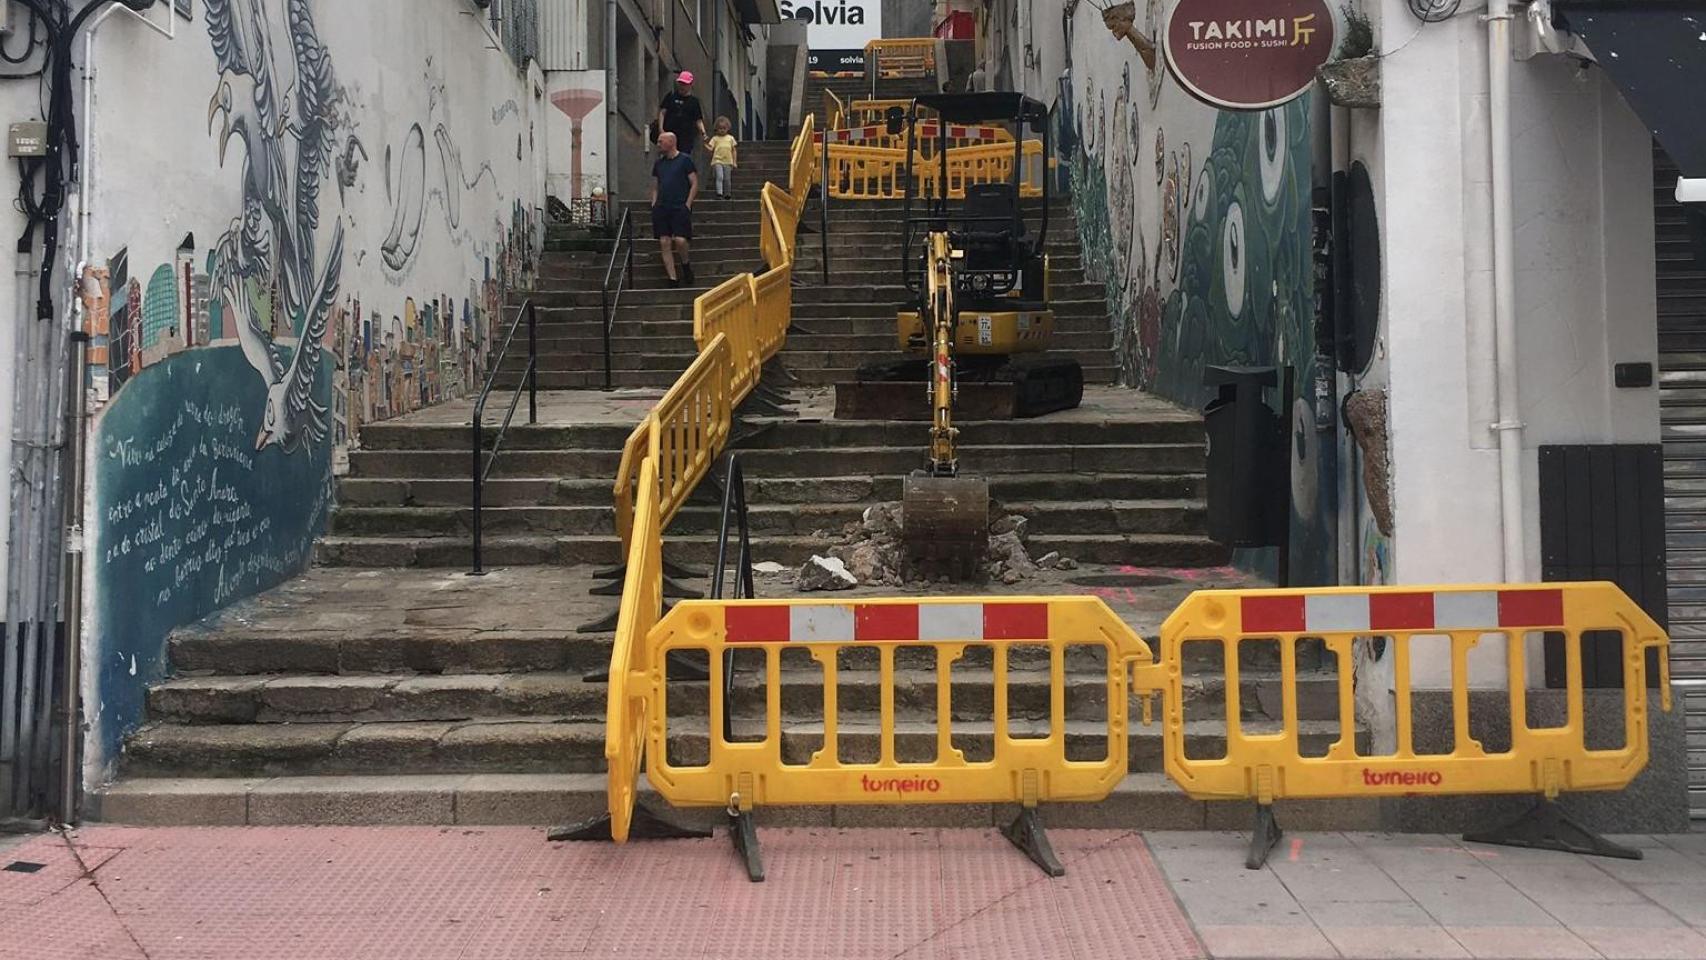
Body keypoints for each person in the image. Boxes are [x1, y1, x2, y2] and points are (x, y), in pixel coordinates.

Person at [650, 131, 698, 286]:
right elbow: (656, 185)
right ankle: (672, 278)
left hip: (679, 205)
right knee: (664, 241)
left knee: (680, 240)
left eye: (660, 141)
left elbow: (694, 183)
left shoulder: (685, 160)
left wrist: (688, 204)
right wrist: (654, 202)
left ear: (671, 142)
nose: (658, 144)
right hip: (662, 206)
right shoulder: (659, 163)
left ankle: (685, 265)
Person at [657, 70, 707, 159]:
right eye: (680, 83)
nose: (682, 86)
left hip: (686, 138)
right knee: (666, 159)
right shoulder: (671, 96)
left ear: (690, 84)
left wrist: (703, 133)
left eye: (684, 84)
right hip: (669, 135)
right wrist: (661, 129)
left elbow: (698, 120)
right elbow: (662, 112)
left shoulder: (694, 102)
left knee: (683, 160)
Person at [706, 116, 738, 199]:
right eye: (720, 128)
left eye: (724, 128)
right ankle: (719, 193)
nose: (722, 130)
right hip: (717, 160)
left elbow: (734, 150)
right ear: (716, 129)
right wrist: (705, 145)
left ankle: (727, 193)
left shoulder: (730, 138)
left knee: (727, 178)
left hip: (728, 161)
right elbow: (711, 148)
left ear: (728, 128)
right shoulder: (715, 138)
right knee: (719, 176)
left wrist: (734, 162)